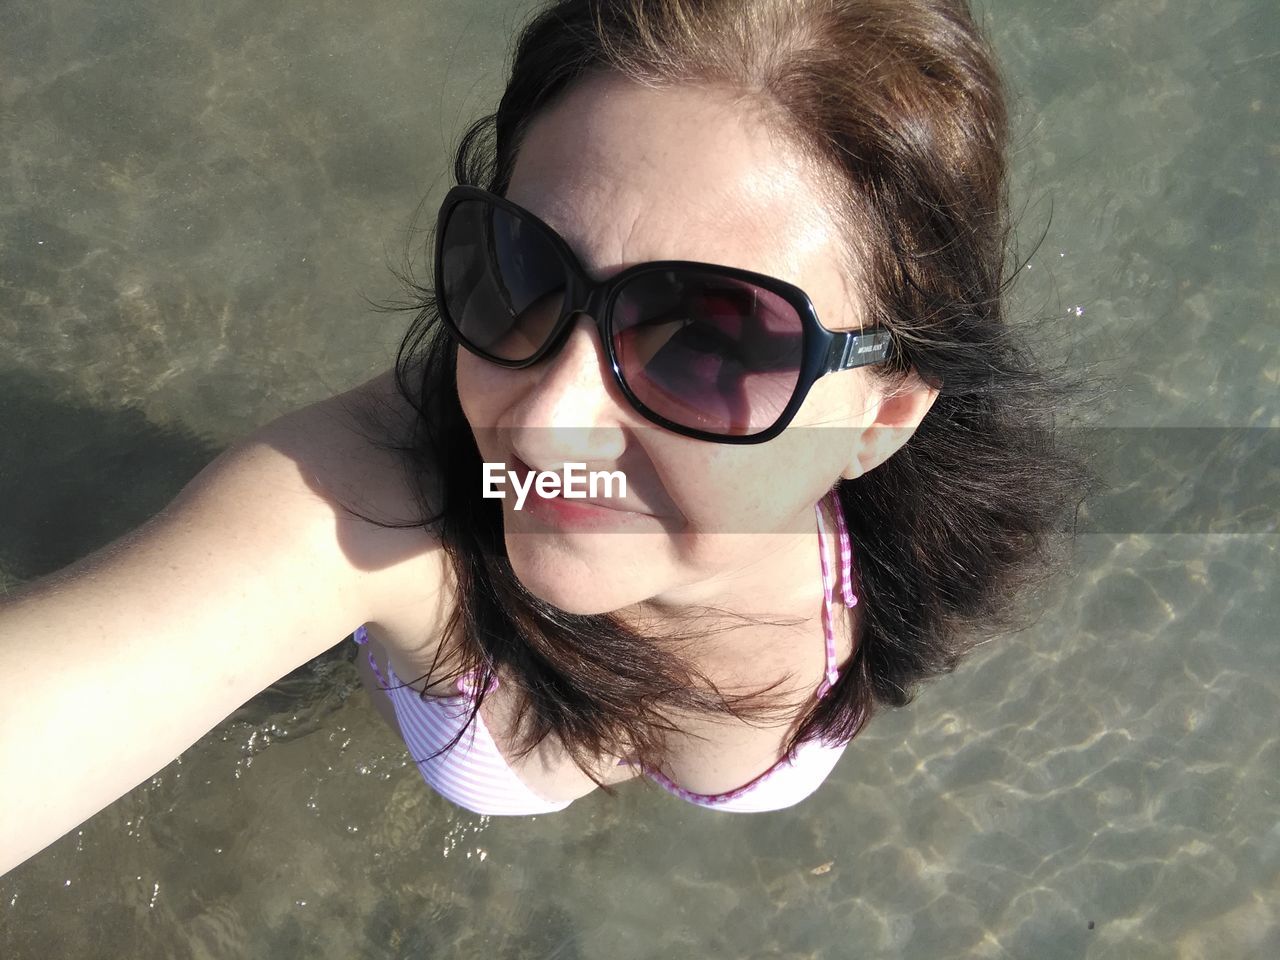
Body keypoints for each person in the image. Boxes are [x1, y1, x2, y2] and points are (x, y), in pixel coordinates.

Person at [0, 0, 1085, 873]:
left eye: (709, 340)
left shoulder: (910, 554)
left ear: (882, 415)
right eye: (520, 269)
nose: (539, 416)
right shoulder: (364, 500)